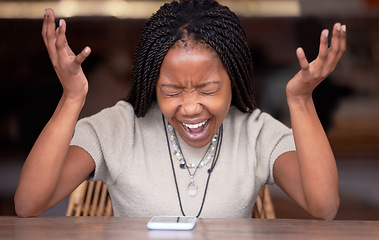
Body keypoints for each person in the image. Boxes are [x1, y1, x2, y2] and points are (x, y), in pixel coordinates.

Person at [14, 0, 346, 219]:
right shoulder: (116, 128)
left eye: (209, 89)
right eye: (171, 91)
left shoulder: (255, 132)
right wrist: (72, 97)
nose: (189, 108)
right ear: (150, 84)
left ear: (235, 81)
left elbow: (325, 206)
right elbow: (29, 204)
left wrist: (301, 100)